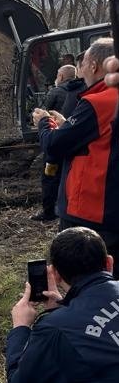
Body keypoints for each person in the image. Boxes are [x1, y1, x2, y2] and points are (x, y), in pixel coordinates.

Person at [0, 227, 119, 383]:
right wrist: (63, 311)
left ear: (56, 274)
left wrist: (21, 329)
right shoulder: (63, 326)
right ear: (109, 263)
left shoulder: (59, 330)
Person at [32, 38, 119, 274]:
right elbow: (96, 139)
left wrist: (44, 123)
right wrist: (66, 124)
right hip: (110, 208)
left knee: (82, 276)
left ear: (94, 66)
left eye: (84, 63)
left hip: (91, 210)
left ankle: (80, 309)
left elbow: (54, 146)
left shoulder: (99, 101)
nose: (80, 70)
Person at [31, 64, 82, 222]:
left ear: (60, 77)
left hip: (54, 140)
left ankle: (48, 212)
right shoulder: (81, 90)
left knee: (49, 176)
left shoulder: (56, 91)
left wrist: (41, 121)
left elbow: (43, 111)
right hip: (72, 141)